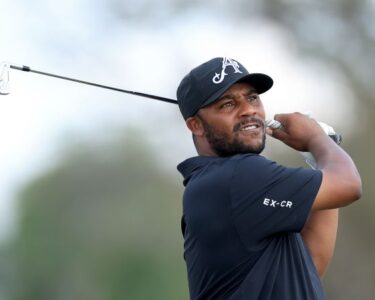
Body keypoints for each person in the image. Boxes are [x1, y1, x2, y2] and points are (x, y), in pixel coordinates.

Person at [176, 57, 362, 300]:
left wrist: (320, 156)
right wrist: (318, 139)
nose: (249, 110)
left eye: (252, 98)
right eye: (228, 104)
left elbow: (309, 266)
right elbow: (349, 185)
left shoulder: (218, 184)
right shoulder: (238, 176)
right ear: (196, 125)